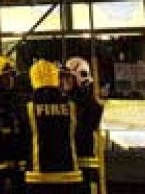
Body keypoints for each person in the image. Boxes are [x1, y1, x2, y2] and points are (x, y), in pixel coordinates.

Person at [24, 60, 82, 193]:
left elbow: (22, 138)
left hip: (37, 176)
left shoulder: (28, 108)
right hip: (69, 174)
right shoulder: (71, 106)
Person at [0, 55, 29, 192]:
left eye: (12, 76)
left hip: (18, 161)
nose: (10, 80)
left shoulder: (17, 99)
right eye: (6, 76)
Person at [62, 58, 104, 193]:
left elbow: (81, 130)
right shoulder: (68, 102)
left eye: (69, 77)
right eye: (64, 77)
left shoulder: (91, 105)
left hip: (86, 162)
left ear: (81, 78)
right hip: (73, 162)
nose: (65, 81)